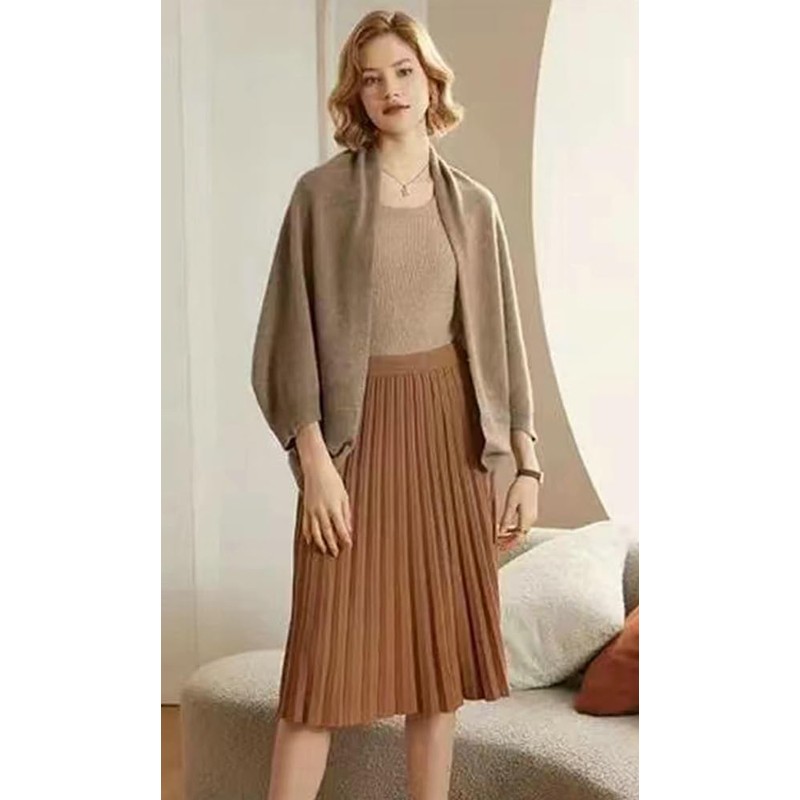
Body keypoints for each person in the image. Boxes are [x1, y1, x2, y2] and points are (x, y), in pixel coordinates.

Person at [251, 10, 544, 800]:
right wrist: (314, 461)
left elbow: (503, 342)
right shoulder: (319, 198)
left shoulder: (474, 205)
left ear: (430, 78)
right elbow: (286, 338)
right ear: (356, 94)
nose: (390, 90)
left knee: (435, 675)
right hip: (354, 443)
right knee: (318, 674)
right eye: (372, 78)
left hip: (450, 444)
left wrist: (525, 463)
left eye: (404, 71)